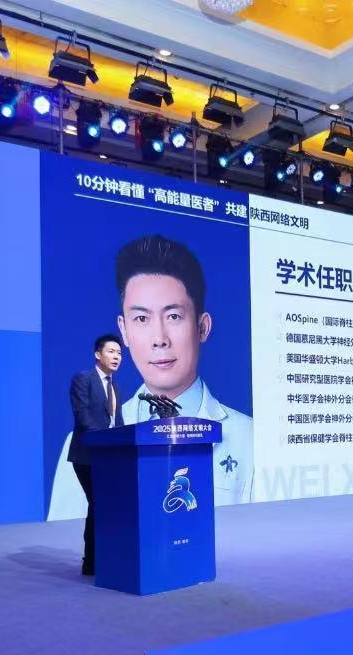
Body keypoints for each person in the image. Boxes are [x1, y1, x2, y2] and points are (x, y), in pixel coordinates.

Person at [48, 234, 253, 521]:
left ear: (202, 327)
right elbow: (65, 538)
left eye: (173, 316)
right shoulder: (91, 442)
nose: (159, 339)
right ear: (124, 331)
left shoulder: (251, 439)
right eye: (141, 319)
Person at [68, 334, 125, 576]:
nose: (116, 357)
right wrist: (103, 440)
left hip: (110, 456)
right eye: (111, 351)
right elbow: (82, 416)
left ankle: (104, 556)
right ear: (98, 354)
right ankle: (90, 561)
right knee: (98, 503)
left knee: (105, 504)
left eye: (119, 353)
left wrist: (123, 441)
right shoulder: (84, 379)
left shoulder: (115, 386)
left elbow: (116, 422)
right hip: (88, 455)